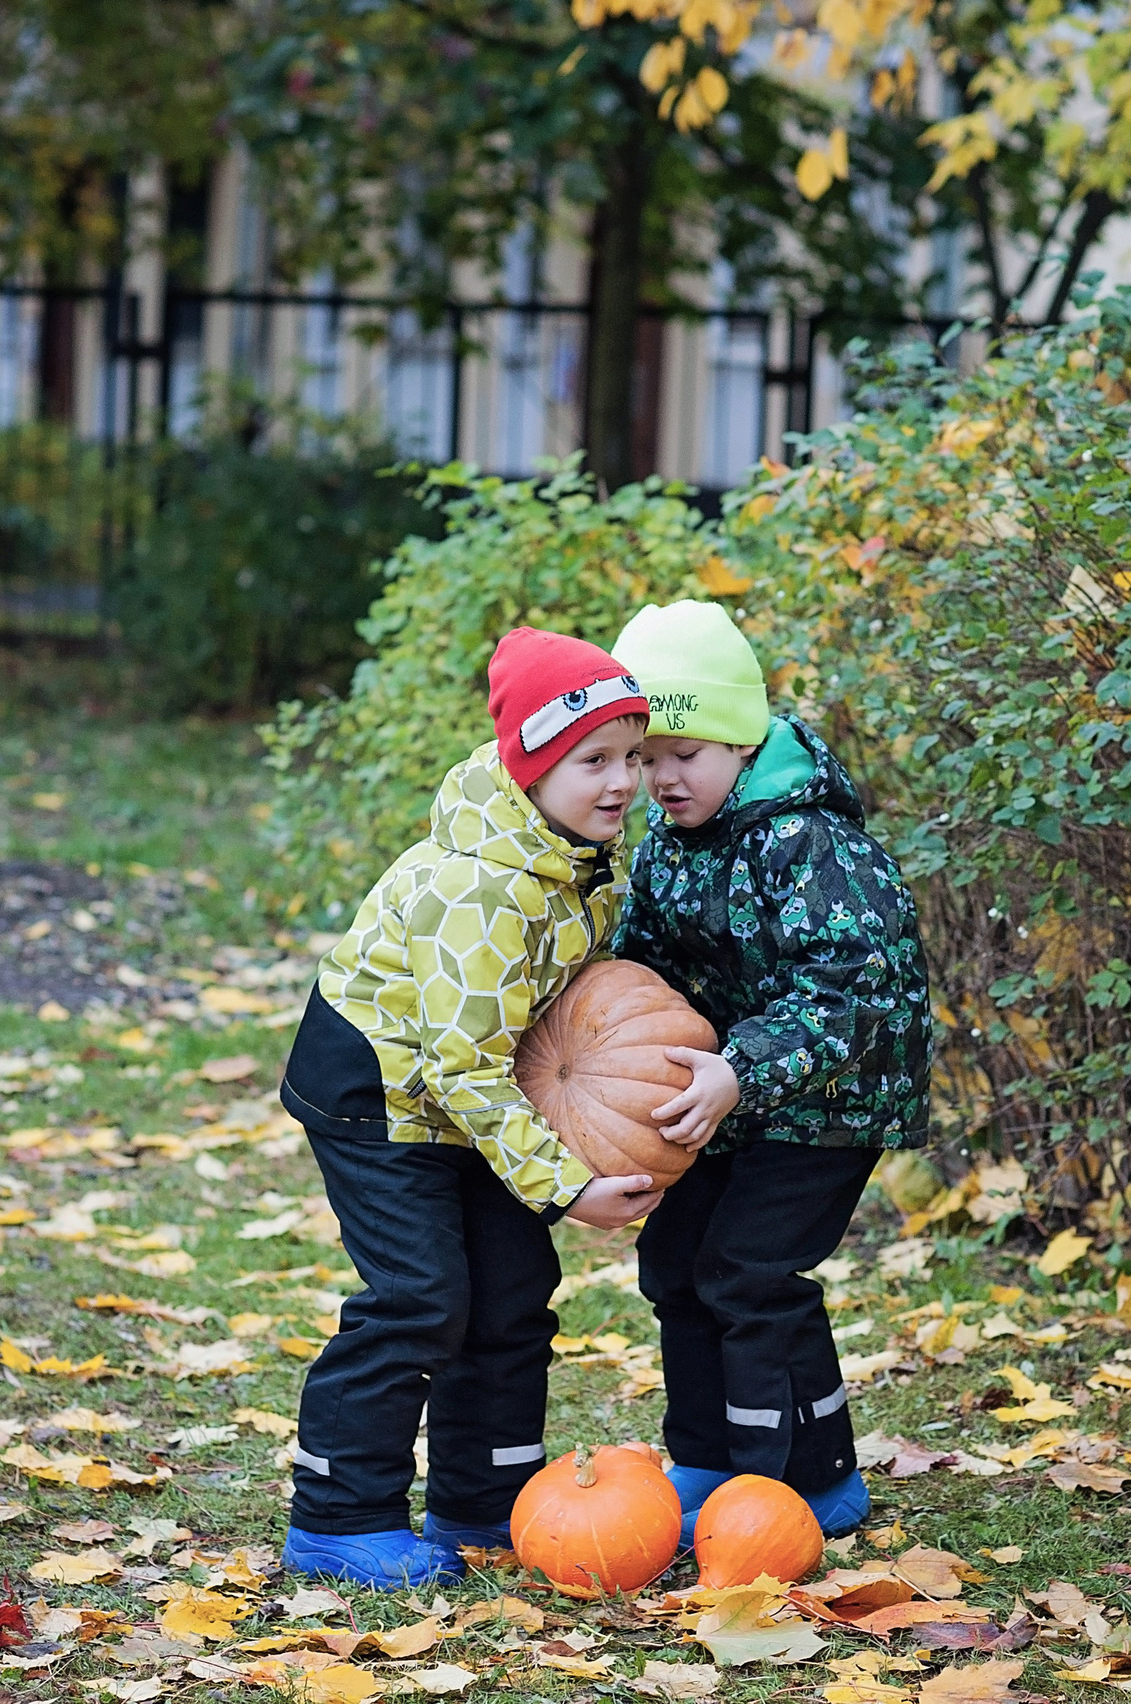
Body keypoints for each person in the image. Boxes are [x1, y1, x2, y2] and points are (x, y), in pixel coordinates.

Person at [275, 628, 665, 1588]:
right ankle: (337, 1513)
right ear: (531, 768)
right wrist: (566, 1184)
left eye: (633, 758)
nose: (621, 783)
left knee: (510, 1292)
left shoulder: (575, 849)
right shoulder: (482, 889)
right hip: (380, 1089)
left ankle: (481, 1502)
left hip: (475, 1090)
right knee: (420, 1298)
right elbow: (461, 1068)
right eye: (592, 762)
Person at [608, 599, 933, 1545]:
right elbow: (646, 967)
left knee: (747, 1272)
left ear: (743, 742)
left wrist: (739, 1067)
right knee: (675, 1263)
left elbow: (850, 995)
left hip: (834, 1093)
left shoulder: (808, 842)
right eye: (643, 755)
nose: (663, 777)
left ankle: (799, 1481)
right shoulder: (670, 846)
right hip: (733, 1092)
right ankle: (707, 1457)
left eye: (687, 752)